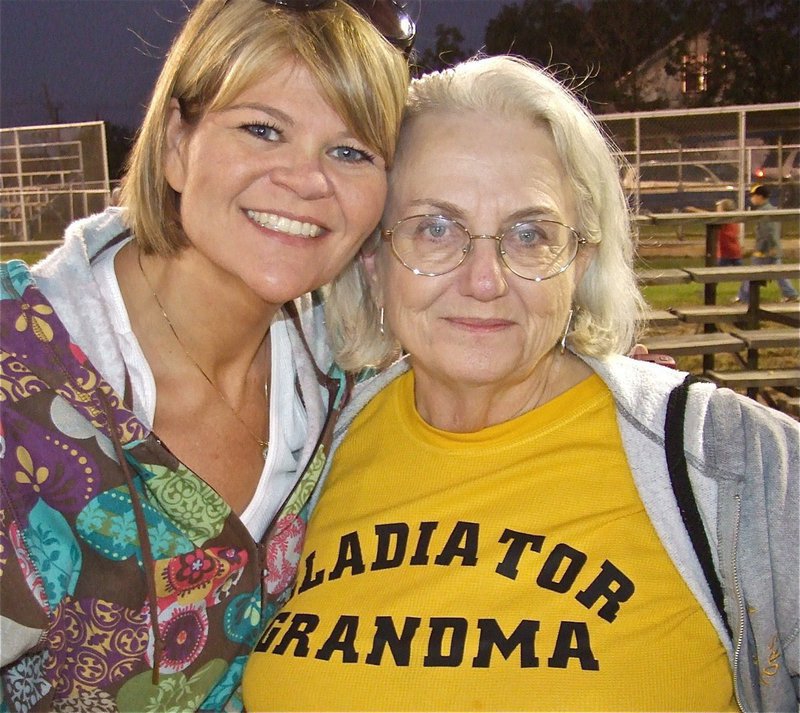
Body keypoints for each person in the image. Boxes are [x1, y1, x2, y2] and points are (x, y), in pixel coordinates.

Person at [243, 56, 799, 712]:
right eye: (436, 228)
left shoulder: (730, 464)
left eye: (530, 234)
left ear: (580, 259)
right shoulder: (310, 451)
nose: (484, 280)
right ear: (374, 258)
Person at [0, 0, 410, 710]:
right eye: (261, 129)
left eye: (350, 151)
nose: (308, 179)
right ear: (175, 146)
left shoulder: (344, 369)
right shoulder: (21, 374)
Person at [735, 184, 799, 303]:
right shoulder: (770, 209)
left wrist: (760, 249)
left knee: (751, 273)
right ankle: (791, 294)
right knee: (778, 274)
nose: (751, 199)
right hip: (772, 248)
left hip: (765, 250)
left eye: (753, 196)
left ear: (760, 197)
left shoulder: (764, 212)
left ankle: (744, 297)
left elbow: (768, 232)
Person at [713, 198, 743, 267]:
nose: (717, 210)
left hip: (725, 254)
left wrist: (695, 210)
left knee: (719, 274)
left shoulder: (724, 220)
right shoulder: (733, 219)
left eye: (719, 208)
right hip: (734, 252)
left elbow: (709, 217)